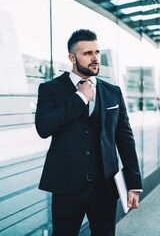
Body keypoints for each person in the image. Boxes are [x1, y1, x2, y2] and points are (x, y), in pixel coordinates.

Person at [35, 29, 142, 236]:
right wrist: (80, 98)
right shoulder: (50, 89)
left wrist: (134, 184)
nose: (95, 58)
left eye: (97, 52)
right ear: (72, 58)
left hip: (105, 186)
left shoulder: (113, 92)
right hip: (66, 186)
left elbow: (125, 140)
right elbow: (43, 128)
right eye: (87, 53)